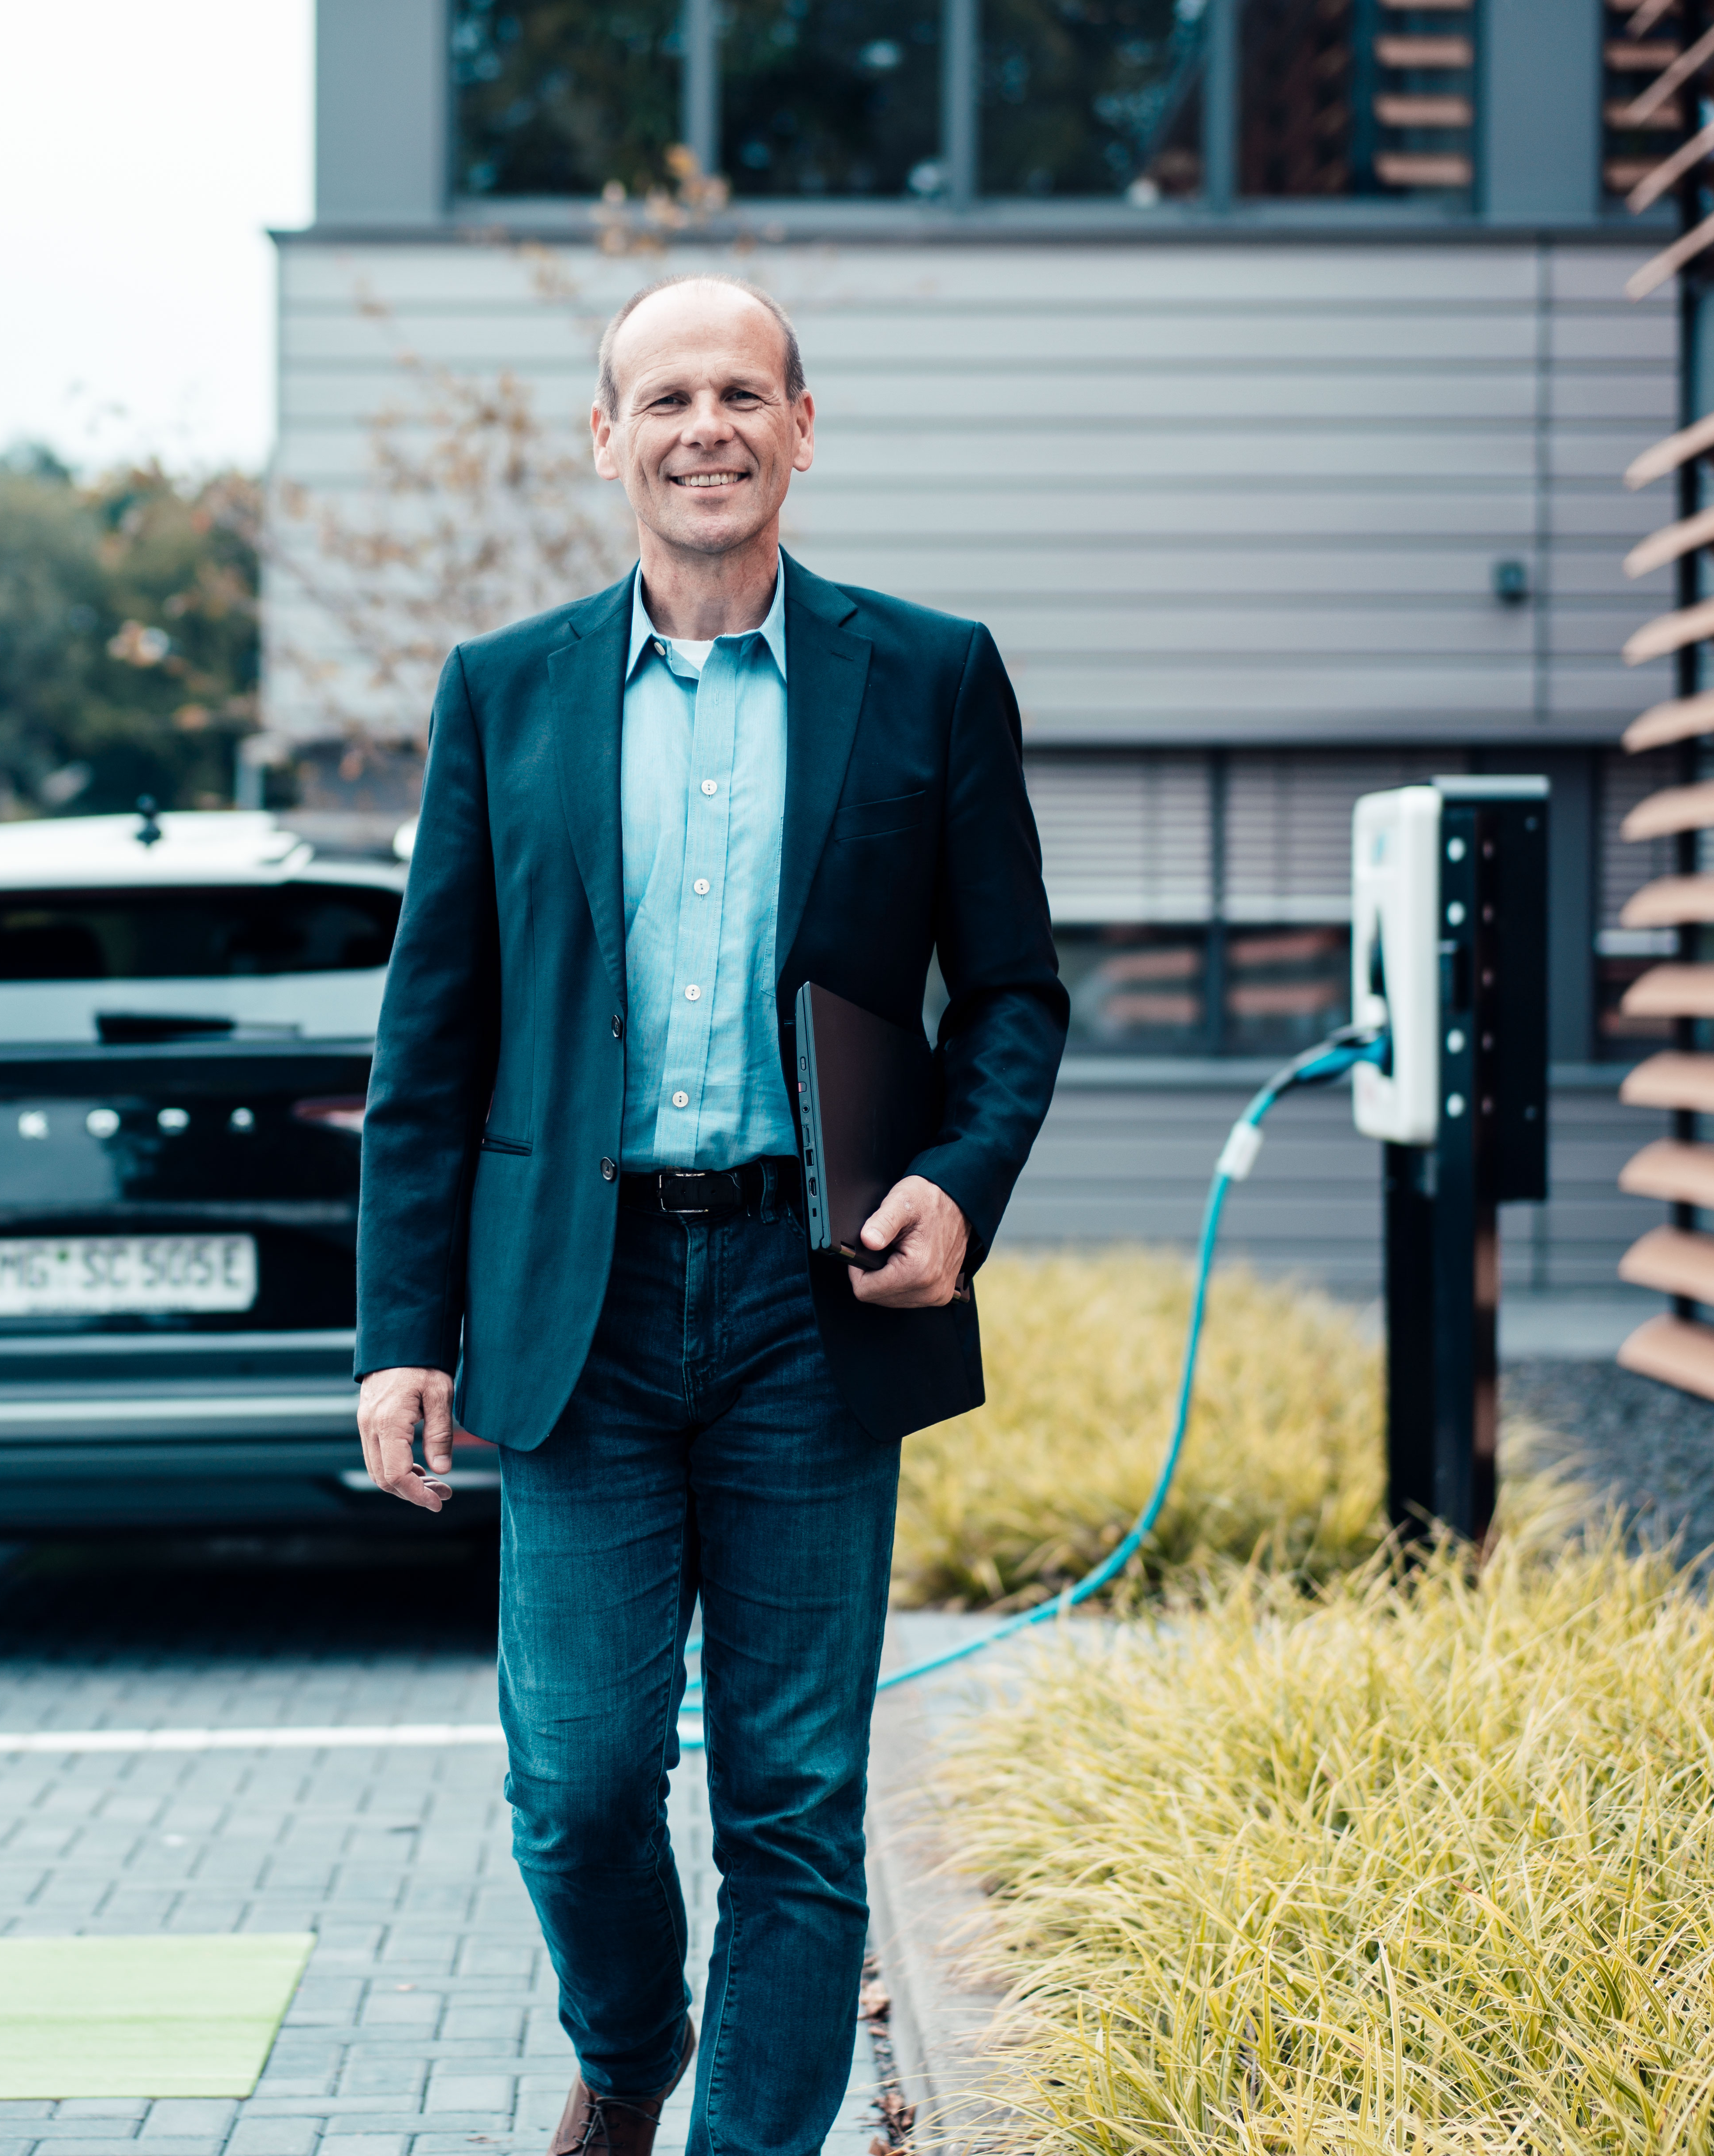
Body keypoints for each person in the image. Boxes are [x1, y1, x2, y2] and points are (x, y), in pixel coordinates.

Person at [351, 273, 1067, 2156]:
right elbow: (433, 1040)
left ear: (801, 428)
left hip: (804, 1299)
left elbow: (1009, 992)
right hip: (568, 1305)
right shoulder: (500, 696)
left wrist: (954, 1182)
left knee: (792, 1801)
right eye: (662, 396)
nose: (704, 428)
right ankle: (628, 2037)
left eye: (741, 391)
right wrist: (397, 1339)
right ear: (607, 439)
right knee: (577, 1780)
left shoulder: (924, 676)